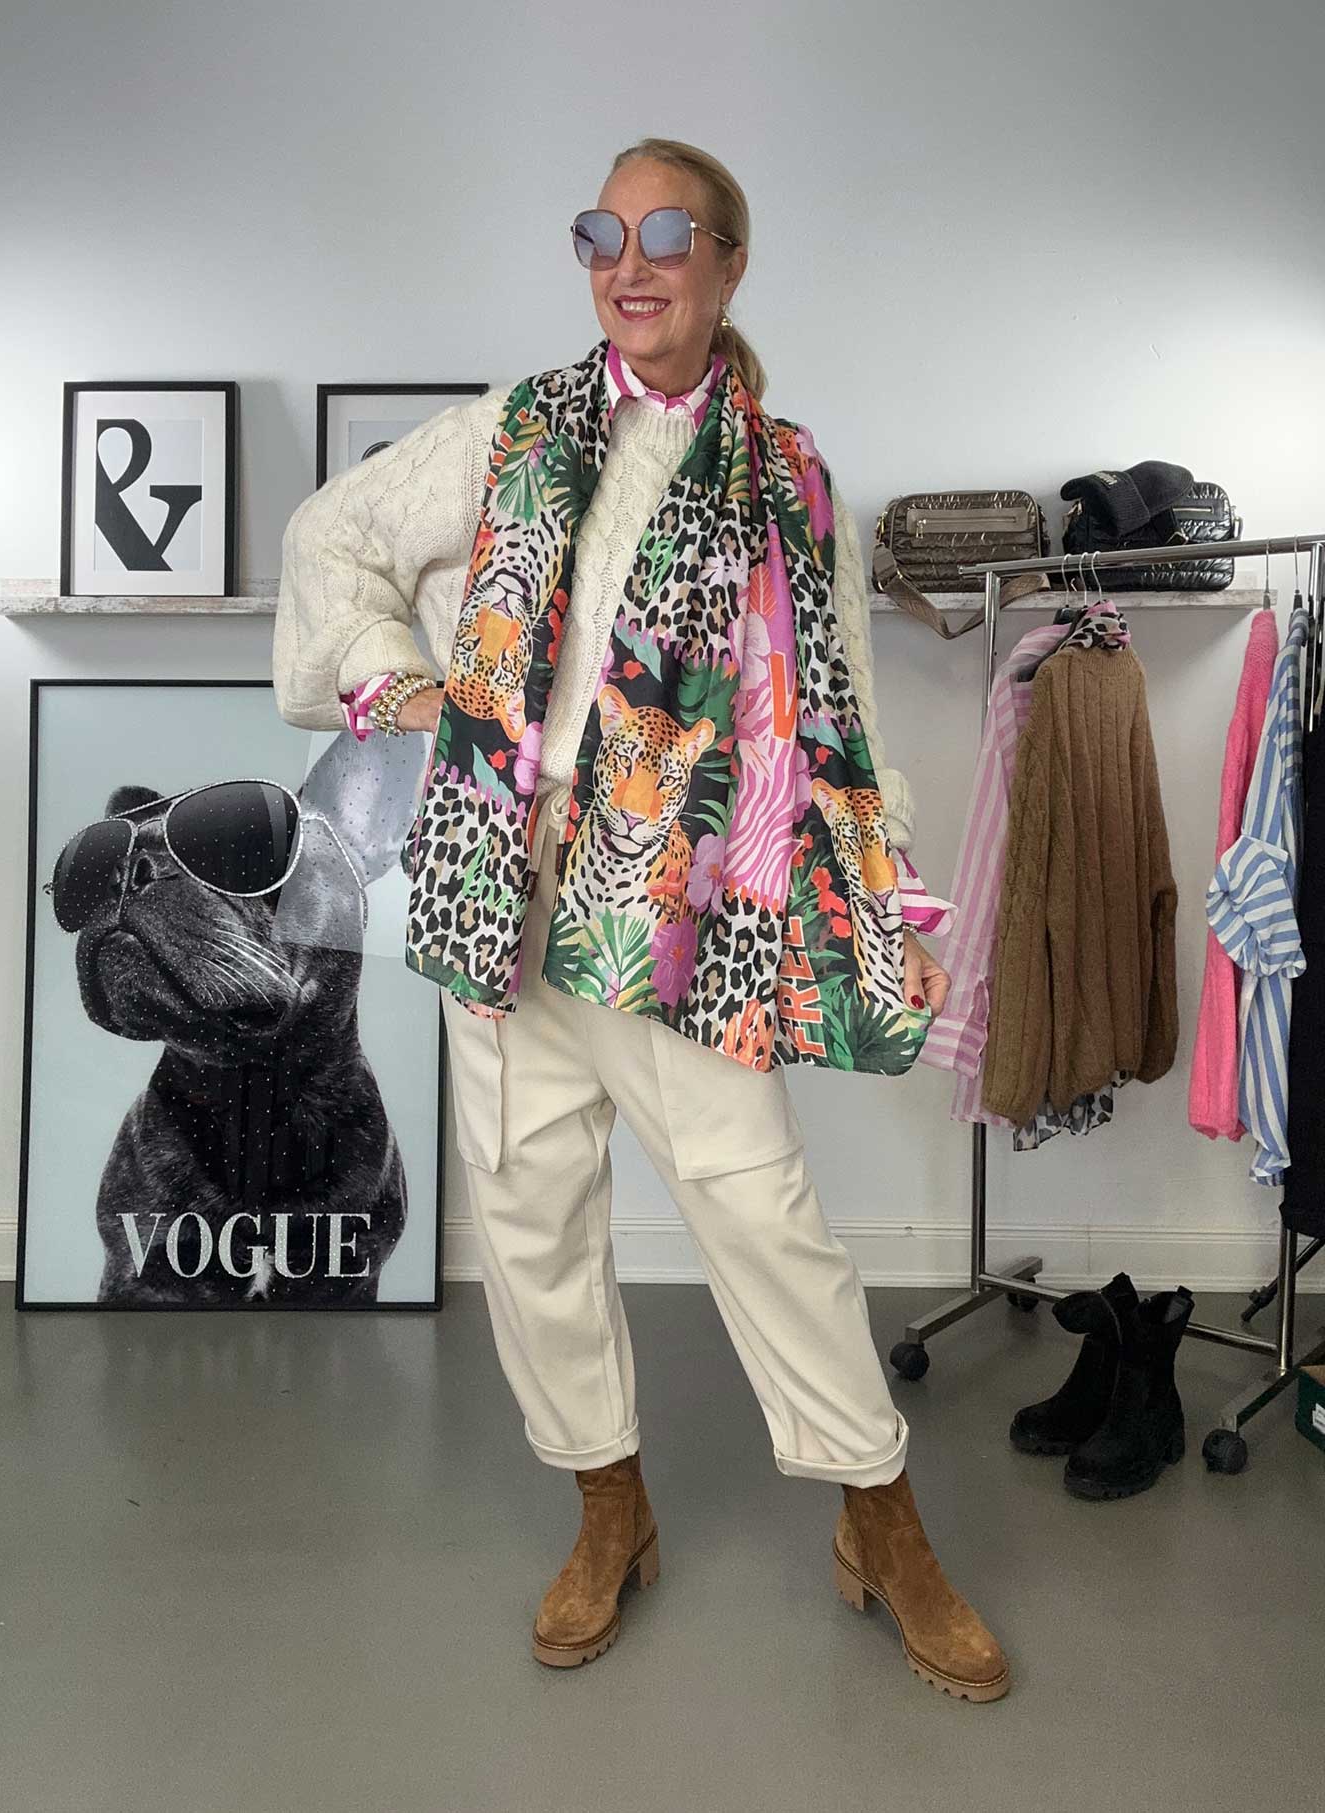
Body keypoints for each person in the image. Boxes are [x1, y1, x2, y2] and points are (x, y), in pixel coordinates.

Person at [272, 137, 1009, 1703]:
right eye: (603, 234)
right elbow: (330, 539)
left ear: (729, 263)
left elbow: (839, 717)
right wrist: (402, 693)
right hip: (501, 883)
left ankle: (881, 1519)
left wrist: (888, 894)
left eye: (667, 232)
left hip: (680, 912)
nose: (630, 262)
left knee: (760, 1207)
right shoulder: (510, 428)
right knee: (528, 1208)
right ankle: (611, 1506)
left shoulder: (791, 479)